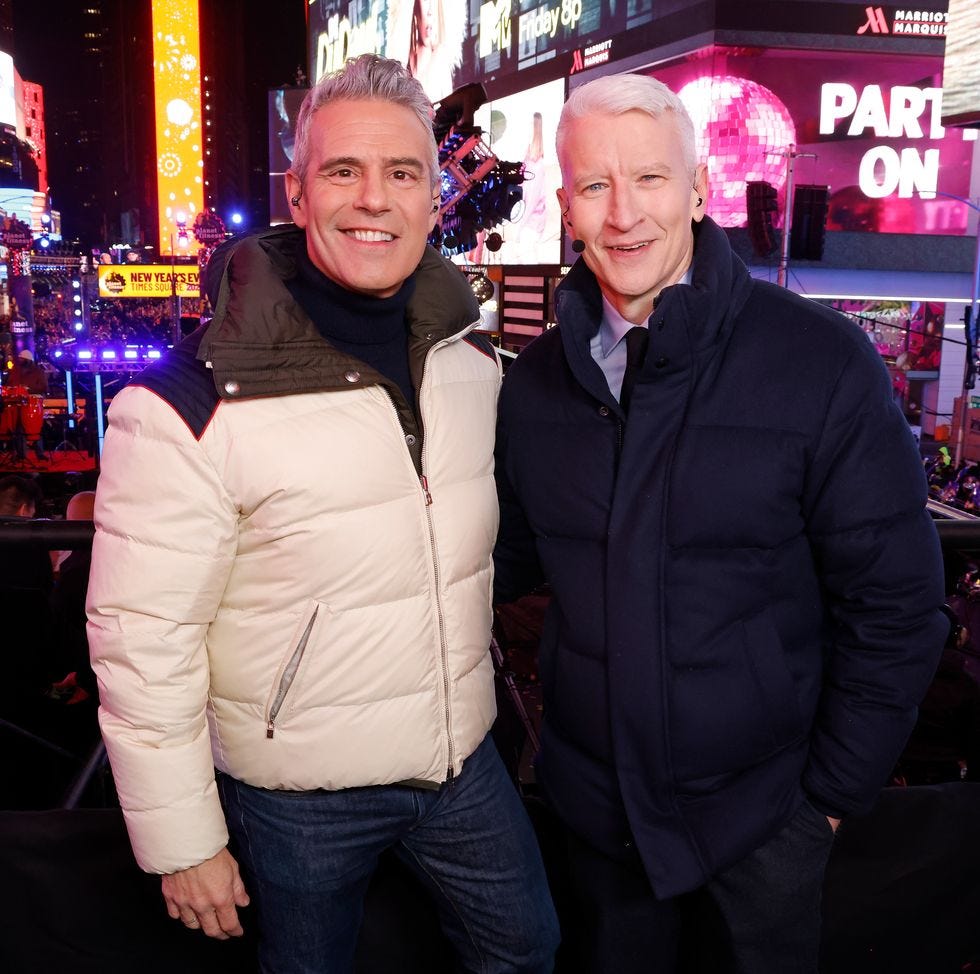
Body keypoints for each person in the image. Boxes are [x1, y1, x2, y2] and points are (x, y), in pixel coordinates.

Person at [87, 54, 558, 974]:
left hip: (460, 761)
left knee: (528, 950)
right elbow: (142, 639)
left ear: (434, 198)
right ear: (298, 194)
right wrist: (183, 841)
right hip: (297, 792)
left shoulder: (471, 367)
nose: (373, 199)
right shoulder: (191, 402)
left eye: (402, 173)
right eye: (344, 171)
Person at [493, 72, 948, 974]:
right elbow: (493, 566)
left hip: (765, 822)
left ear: (700, 190)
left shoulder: (819, 360)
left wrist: (825, 798)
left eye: (651, 180)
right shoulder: (535, 383)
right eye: (595, 185)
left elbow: (897, 605)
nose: (624, 214)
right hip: (600, 824)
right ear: (565, 206)